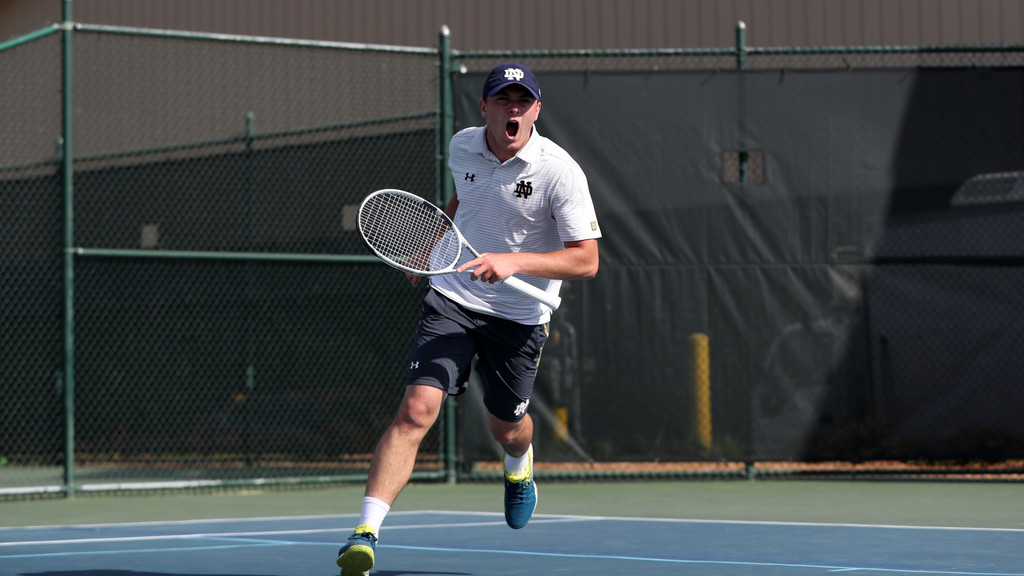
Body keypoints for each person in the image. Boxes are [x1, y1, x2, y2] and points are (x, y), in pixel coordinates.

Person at [336, 62, 601, 576]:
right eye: (503, 100)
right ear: (485, 108)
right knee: (415, 412)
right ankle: (364, 534)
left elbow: (586, 260)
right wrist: (434, 249)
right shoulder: (463, 146)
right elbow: (464, 198)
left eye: (523, 101)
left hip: (519, 317)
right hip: (453, 299)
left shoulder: (559, 171)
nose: (514, 108)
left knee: (507, 429)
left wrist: (513, 262)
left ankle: (519, 466)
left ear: (537, 110)